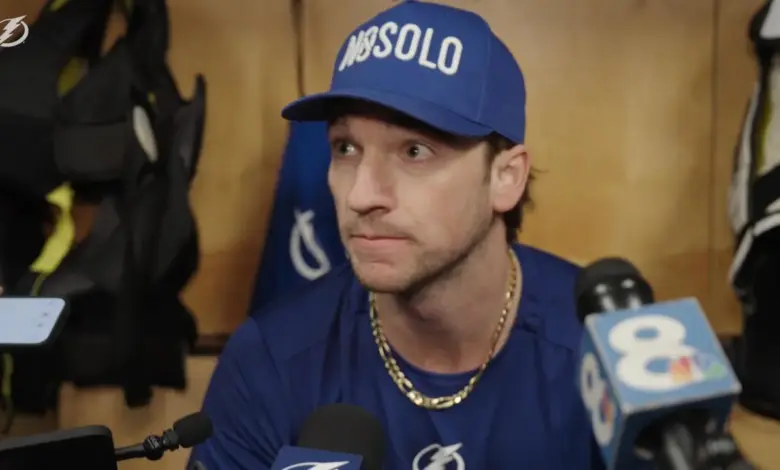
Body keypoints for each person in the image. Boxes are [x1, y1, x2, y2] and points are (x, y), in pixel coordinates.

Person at [189, 1, 605, 469]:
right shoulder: (269, 362)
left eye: (414, 151)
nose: (361, 195)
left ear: (505, 177)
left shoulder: (606, 347)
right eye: (346, 148)